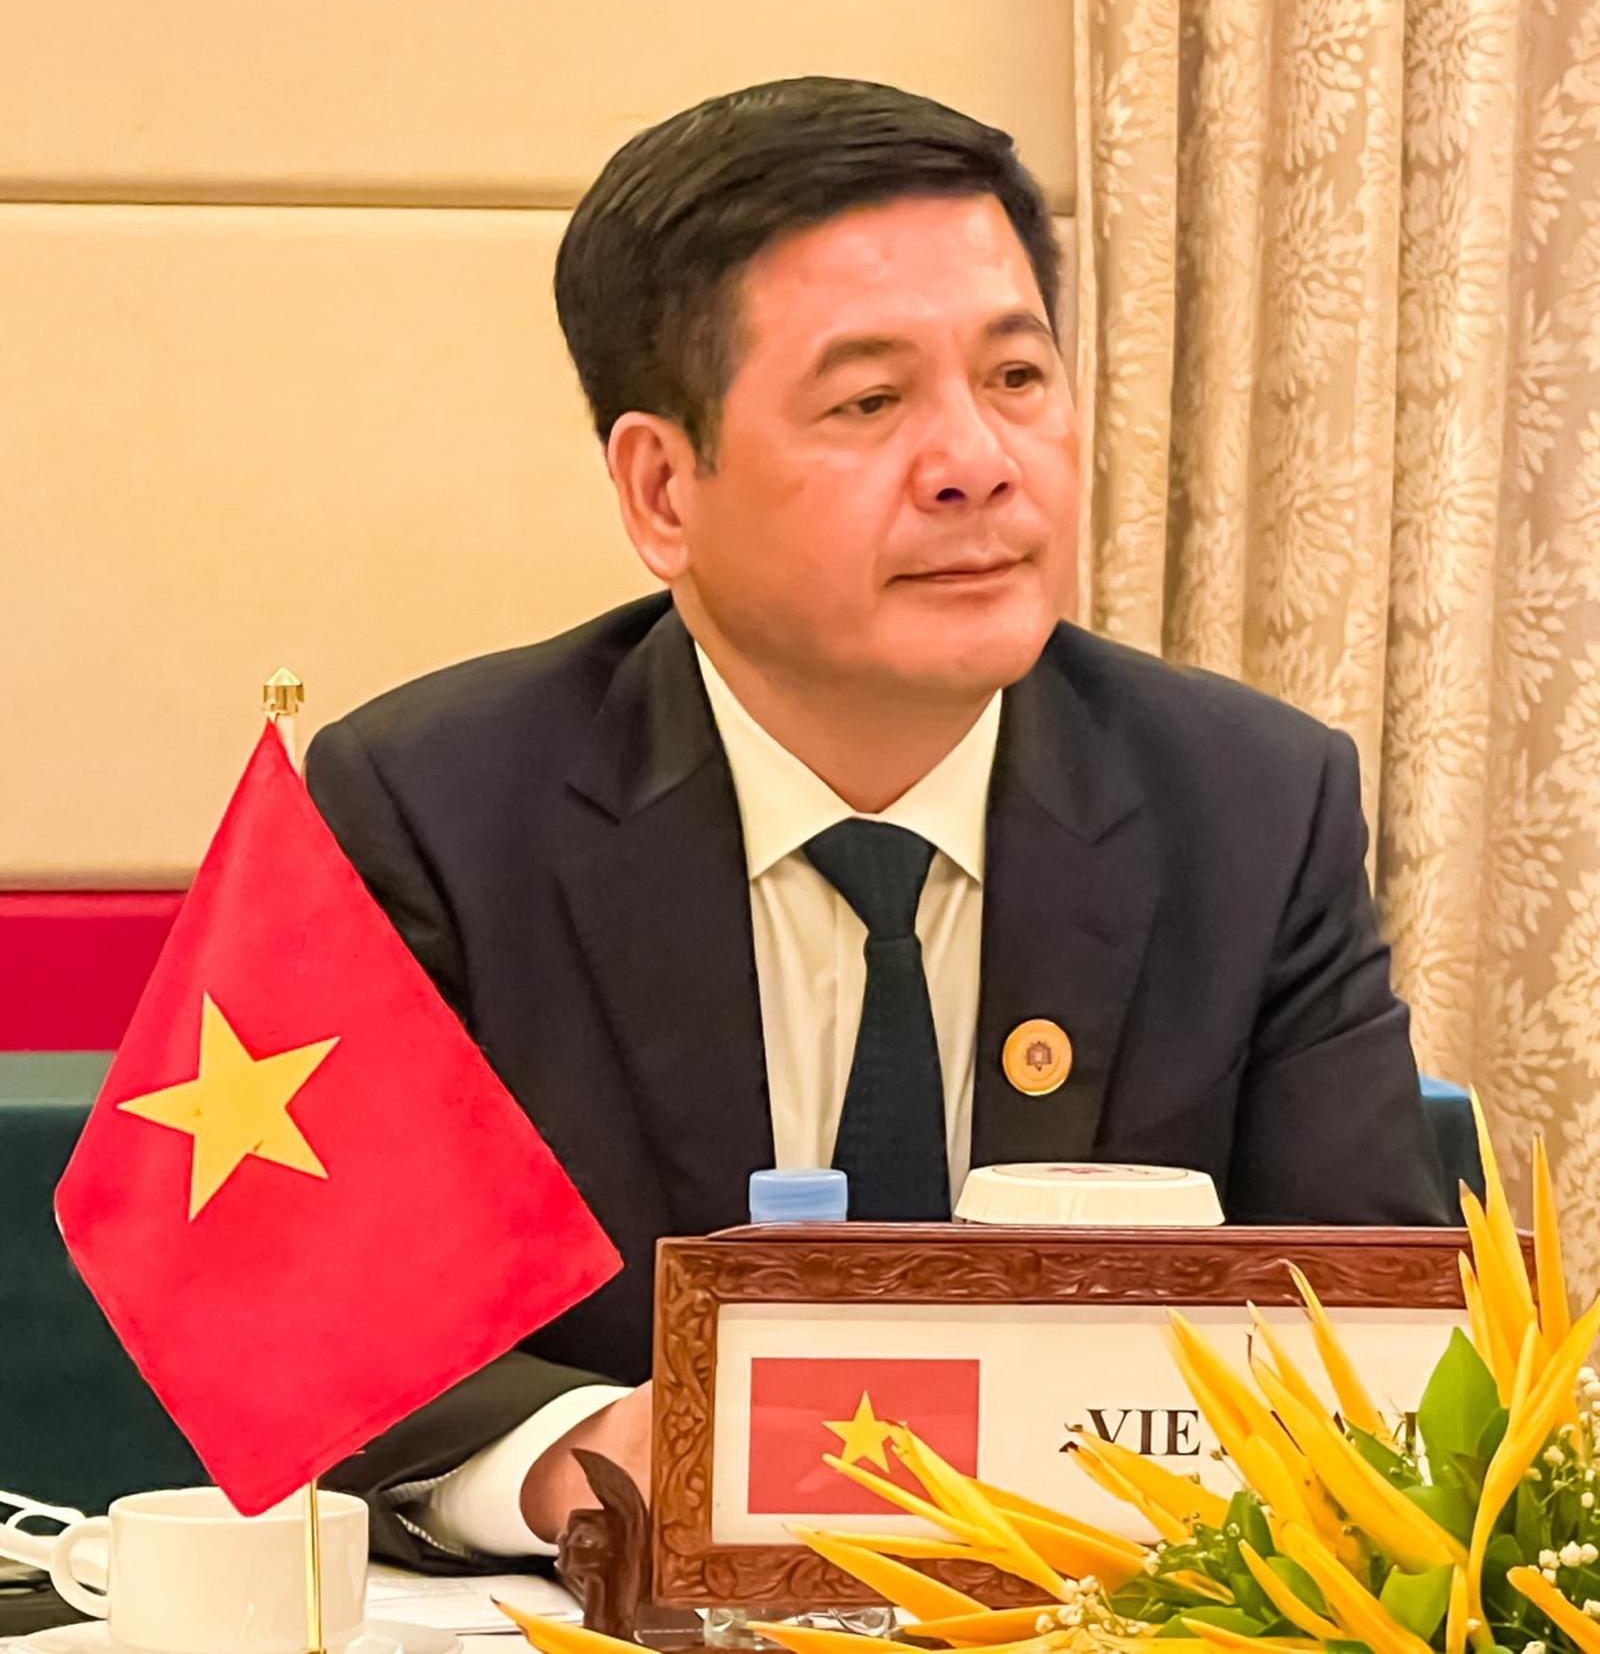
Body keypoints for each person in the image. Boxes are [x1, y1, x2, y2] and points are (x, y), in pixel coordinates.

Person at [305, 76, 1447, 1570]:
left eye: (1018, 376)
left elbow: (1381, 1352)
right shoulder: (438, 810)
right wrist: (597, 1462)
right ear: (663, 489)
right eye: (869, 401)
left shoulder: (1249, 805)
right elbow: (322, 1334)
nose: (977, 462)